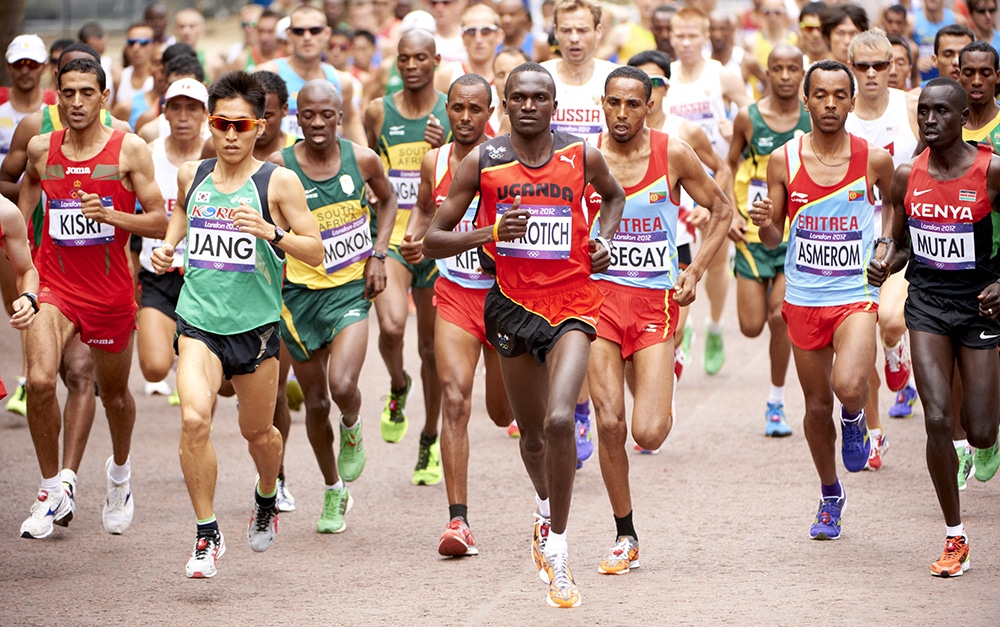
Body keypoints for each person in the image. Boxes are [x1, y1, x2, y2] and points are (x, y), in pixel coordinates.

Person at [423, 62, 625, 608]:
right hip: (511, 308)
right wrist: (488, 232)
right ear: (505, 106)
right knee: (532, 435)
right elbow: (433, 238)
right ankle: (544, 509)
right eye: (519, 98)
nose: (530, 105)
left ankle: (559, 549)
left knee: (562, 419)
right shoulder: (482, 161)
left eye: (540, 97)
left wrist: (602, 239)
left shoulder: (582, 155)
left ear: (554, 105)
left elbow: (614, 197)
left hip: (574, 303)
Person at [150, 71, 322, 577]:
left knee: (259, 434)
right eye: (220, 124)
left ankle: (266, 493)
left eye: (240, 125)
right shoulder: (192, 173)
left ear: (260, 126)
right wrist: (168, 245)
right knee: (194, 421)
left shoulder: (277, 182)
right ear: (210, 123)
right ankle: (206, 534)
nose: (229, 135)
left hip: (256, 330)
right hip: (198, 321)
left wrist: (272, 232)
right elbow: (182, 214)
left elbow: (315, 251)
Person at [17, 58, 169, 539]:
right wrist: (20, 264)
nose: (77, 102)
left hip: (109, 295)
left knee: (117, 397)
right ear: (56, 96)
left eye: (87, 93)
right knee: (40, 382)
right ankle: (51, 489)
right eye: (68, 93)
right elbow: (25, 200)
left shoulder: (131, 150)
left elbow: (161, 220)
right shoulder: (41, 149)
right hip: (54, 287)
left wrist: (111, 217)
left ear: (104, 97)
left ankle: (119, 476)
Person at [588, 66, 731, 574]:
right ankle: (625, 534)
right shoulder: (582, 157)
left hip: (655, 304)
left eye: (633, 104)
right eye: (613, 103)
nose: (622, 113)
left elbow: (721, 209)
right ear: (601, 104)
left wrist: (694, 269)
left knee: (647, 433)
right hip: (597, 304)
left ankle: (660, 393)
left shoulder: (671, 153)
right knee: (609, 423)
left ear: (649, 106)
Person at [749, 60, 895, 540]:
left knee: (848, 386)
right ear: (806, 101)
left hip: (855, 293)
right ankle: (830, 494)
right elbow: (773, 240)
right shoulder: (783, 161)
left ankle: (855, 417)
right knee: (814, 408)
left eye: (839, 95)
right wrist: (765, 219)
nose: (830, 104)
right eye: (821, 95)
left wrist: (883, 245)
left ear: (852, 102)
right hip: (804, 296)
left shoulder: (873, 159)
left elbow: (891, 206)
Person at [868, 77, 1000, 577]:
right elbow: (900, 243)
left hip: (980, 309)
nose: (930, 119)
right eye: (924, 111)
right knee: (939, 418)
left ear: (964, 118)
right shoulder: (907, 175)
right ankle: (954, 535)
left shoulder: (990, 172)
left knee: (983, 431)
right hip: (927, 306)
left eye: (942, 111)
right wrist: (886, 261)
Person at [267, 80, 396, 533]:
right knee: (316, 401)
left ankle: (355, 422)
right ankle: (333, 490)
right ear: (295, 119)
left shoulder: (361, 159)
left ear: (340, 117)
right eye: (309, 115)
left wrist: (379, 253)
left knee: (341, 386)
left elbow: (390, 199)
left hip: (348, 290)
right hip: (298, 298)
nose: (318, 123)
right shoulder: (278, 169)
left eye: (327, 115)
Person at [400, 73, 514, 554]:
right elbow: (425, 209)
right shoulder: (434, 160)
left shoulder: (510, 158)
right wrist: (412, 239)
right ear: (446, 111)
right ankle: (457, 523)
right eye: (457, 109)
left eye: (476, 109)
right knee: (455, 399)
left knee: (501, 411)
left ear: (491, 112)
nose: (466, 118)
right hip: (456, 293)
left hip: (508, 300)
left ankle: (548, 506)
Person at [363, 29, 450, 483]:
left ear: (436, 60)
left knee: (433, 351)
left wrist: (444, 147)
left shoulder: (451, 111)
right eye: (404, 58)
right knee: (393, 325)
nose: (412, 65)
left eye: (421, 57)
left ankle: (430, 439)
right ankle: (398, 385)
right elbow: (368, 173)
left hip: (439, 241)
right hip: (394, 238)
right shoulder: (378, 111)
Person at [845, 29, 921, 468]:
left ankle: (898, 347)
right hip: (849, 241)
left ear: (893, 64)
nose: (873, 74)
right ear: (851, 67)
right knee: (857, 345)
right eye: (863, 66)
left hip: (900, 237)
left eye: (881, 65)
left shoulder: (909, 107)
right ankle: (874, 432)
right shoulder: (841, 114)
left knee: (891, 321)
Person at [727, 44, 810, 438]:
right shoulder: (749, 118)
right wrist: (725, 212)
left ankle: (776, 401)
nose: (785, 76)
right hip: (750, 232)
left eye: (793, 68)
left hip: (793, 235)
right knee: (749, 326)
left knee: (781, 318)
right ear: (768, 73)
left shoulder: (812, 121)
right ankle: (775, 397)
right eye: (777, 68)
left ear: (802, 72)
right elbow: (728, 166)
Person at [667, 7, 749, 377]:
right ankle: (680, 326)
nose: (685, 43)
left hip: (717, 175)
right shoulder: (664, 79)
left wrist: (733, 128)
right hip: (677, 180)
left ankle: (714, 327)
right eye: (679, 36)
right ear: (670, 37)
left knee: (715, 260)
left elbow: (751, 121)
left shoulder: (723, 76)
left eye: (692, 36)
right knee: (678, 255)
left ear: (705, 37)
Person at [135, 78, 209, 407]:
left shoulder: (219, 156)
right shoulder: (147, 155)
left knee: (222, 385)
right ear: (163, 112)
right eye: (175, 108)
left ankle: (192, 359)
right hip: (159, 273)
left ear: (205, 115)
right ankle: (185, 352)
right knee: (153, 368)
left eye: (192, 109)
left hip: (208, 275)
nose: (183, 116)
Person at [255, 4, 365, 145]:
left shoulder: (341, 81)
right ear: (289, 35)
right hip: (278, 163)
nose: (307, 37)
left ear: (327, 34)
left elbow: (350, 122)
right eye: (299, 31)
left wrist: (367, 160)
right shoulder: (267, 75)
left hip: (324, 162)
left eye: (315, 30)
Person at [541, 0, 619, 144]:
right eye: (566, 30)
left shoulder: (616, 78)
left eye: (582, 30)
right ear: (556, 32)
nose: (574, 38)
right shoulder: (539, 77)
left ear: (598, 31)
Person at [913, 0, 967, 84]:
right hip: (923, 82)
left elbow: (971, 49)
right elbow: (904, 52)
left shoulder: (958, 20)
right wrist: (916, 63)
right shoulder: (911, 21)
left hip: (955, 81)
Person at [112, 23, 156, 122]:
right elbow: (114, 115)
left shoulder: (158, 79)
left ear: (154, 45)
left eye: (143, 42)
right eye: (131, 43)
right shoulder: (119, 77)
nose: (136, 48)